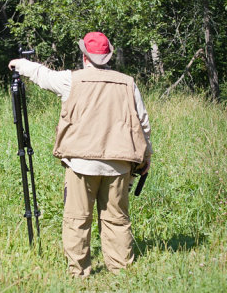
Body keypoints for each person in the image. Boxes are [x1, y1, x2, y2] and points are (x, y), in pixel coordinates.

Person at [8, 31, 153, 278]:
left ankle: (79, 273)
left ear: (85, 56)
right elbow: (143, 124)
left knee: (77, 219)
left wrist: (20, 64)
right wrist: (145, 157)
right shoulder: (128, 83)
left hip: (80, 163)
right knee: (117, 220)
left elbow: (43, 76)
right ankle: (121, 271)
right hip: (119, 164)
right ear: (107, 57)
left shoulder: (71, 80)